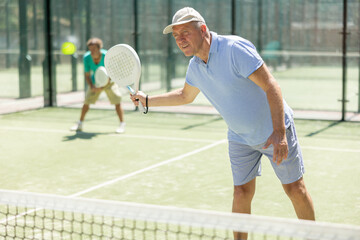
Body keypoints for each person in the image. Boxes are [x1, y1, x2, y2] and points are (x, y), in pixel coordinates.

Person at [131, 7, 315, 240]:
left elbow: (271, 85)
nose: (180, 40)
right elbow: (184, 96)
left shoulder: (234, 49)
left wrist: (279, 132)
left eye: (185, 32)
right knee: (241, 192)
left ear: (203, 29)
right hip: (240, 137)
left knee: (294, 189)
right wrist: (147, 100)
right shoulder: (195, 67)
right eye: (176, 36)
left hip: (273, 130)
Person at [70, 38, 126, 133]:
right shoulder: (86, 58)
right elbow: (87, 75)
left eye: (94, 49)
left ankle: (122, 124)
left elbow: (112, 73)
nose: (92, 51)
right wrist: (92, 86)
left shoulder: (107, 56)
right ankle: (80, 123)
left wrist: (102, 87)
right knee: (86, 102)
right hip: (95, 82)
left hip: (109, 81)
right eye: (90, 49)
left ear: (99, 48)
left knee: (117, 101)